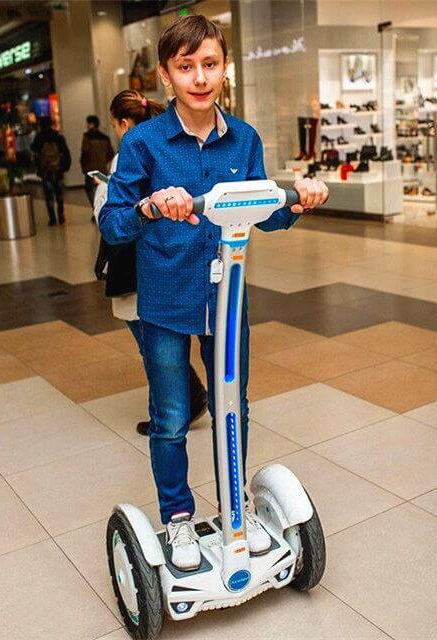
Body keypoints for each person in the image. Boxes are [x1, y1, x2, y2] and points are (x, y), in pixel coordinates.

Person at [99, 15, 329, 571]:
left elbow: (265, 212)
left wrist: (297, 200)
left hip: (228, 304)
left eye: (209, 64)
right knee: (172, 415)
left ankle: (233, 508)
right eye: (186, 67)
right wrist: (150, 206)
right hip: (165, 303)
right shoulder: (144, 143)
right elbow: (113, 223)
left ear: (225, 68)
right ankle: (178, 516)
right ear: (165, 75)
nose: (199, 78)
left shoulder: (244, 138)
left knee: (232, 407)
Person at [93, 89, 208, 436]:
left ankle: (176, 409)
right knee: (162, 341)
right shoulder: (167, 147)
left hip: (136, 262)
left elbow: (110, 218)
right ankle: (186, 401)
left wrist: (104, 190)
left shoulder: (128, 154)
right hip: (169, 257)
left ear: (123, 123)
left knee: (153, 346)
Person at [31, 116, 71, 226]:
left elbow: (33, 148)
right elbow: (65, 152)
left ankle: (52, 219)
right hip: (57, 169)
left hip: (45, 170)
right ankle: (61, 216)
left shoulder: (39, 137)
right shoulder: (58, 136)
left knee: (49, 195)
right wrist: (65, 167)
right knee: (59, 194)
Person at [80, 115, 114, 211]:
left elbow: (85, 153)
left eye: (88, 123)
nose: (87, 126)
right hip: (102, 168)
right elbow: (111, 153)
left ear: (92, 124)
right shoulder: (105, 138)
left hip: (90, 169)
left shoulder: (87, 137)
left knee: (89, 189)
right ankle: (101, 208)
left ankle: (95, 208)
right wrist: (103, 161)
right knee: (103, 189)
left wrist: (83, 166)